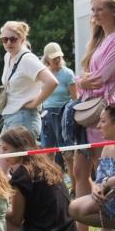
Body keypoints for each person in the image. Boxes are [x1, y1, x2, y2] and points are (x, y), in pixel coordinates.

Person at [73, 0, 115, 231]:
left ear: (113, 11)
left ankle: (109, 228)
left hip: (107, 109)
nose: (95, 14)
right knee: (80, 170)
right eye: (93, 9)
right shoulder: (101, 40)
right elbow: (88, 78)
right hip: (92, 109)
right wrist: (83, 81)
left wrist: (81, 81)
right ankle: (87, 230)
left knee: (104, 169)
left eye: (99, 9)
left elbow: (101, 77)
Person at [0, 126, 80, 231]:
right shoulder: (49, 166)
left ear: (20, 148)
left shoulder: (22, 174)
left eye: (6, 149)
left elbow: (15, 218)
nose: (2, 155)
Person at [0, 21, 57, 140]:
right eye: (4, 39)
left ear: (22, 39)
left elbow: (52, 82)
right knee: (1, 158)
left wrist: (35, 103)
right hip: (9, 116)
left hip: (24, 118)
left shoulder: (27, 59)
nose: (8, 42)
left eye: (13, 39)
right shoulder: (7, 56)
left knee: (19, 159)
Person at [39, 42, 78, 174]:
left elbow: (75, 99)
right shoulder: (43, 74)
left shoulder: (67, 73)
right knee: (47, 152)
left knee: (67, 153)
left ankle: (74, 185)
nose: (57, 59)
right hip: (46, 114)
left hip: (63, 113)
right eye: (53, 57)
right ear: (46, 59)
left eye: (59, 57)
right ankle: (52, 184)